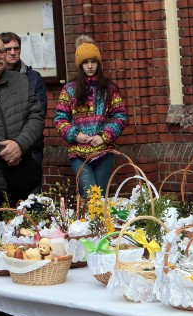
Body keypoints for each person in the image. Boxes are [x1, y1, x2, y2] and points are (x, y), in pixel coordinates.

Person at [0, 33, 44, 316]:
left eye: (0, 51)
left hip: (19, 176)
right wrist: (1, 148)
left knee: (15, 239)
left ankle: (14, 301)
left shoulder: (20, 81)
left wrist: (20, 144)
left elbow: (36, 115)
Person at [53, 35, 127, 197]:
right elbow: (60, 119)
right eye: (86, 63)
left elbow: (120, 116)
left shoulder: (108, 88)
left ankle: (100, 223)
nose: (90, 66)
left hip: (103, 151)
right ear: (80, 65)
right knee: (89, 195)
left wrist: (104, 136)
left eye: (93, 62)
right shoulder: (70, 89)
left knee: (100, 196)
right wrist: (76, 135)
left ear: (98, 64)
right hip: (78, 152)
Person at [0, 32, 48, 195]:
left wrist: (20, 141)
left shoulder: (33, 77)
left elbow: (39, 111)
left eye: (16, 48)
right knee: (6, 199)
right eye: (8, 49)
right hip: (4, 150)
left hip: (32, 147)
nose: (12, 52)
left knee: (33, 199)